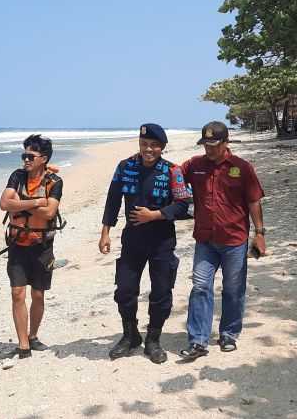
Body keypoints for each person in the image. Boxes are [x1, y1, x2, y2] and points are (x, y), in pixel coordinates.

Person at [99, 124, 191, 364]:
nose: (148, 149)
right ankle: (130, 336)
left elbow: (183, 205)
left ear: (162, 147)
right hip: (132, 240)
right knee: (125, 290)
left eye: (154, 145)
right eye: (144, 144)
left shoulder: (173, 171)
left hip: (162, 240)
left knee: (161, 292)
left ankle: (153, 339)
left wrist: (155, 215)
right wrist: (105, 232)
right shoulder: (125, 166)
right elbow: (112, 200)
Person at [178, 121, 265, 361]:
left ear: (226, 143)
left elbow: (254, 201)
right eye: (205, 144)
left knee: (233, 289)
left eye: (214, 144)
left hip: (234, 240)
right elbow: (174, 173)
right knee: (200, 287)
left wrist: (260, 233)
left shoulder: (242, 168)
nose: (209, 149)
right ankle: (198, 340)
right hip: (205, 240)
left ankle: (229, 333)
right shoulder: (194, 165)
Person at [0, 134, 64, 359]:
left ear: (43, 158)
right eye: (23, 155)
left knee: (38, 294)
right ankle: (23, 345)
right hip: (18, 245)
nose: (25, 160)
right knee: (17, 293)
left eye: (30, 156)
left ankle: (33, 336)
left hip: (42, 246)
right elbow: (4, 203)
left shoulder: (54, 182)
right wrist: (36, 201)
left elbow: (50, 212)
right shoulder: (17, 176)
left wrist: (20, 204)